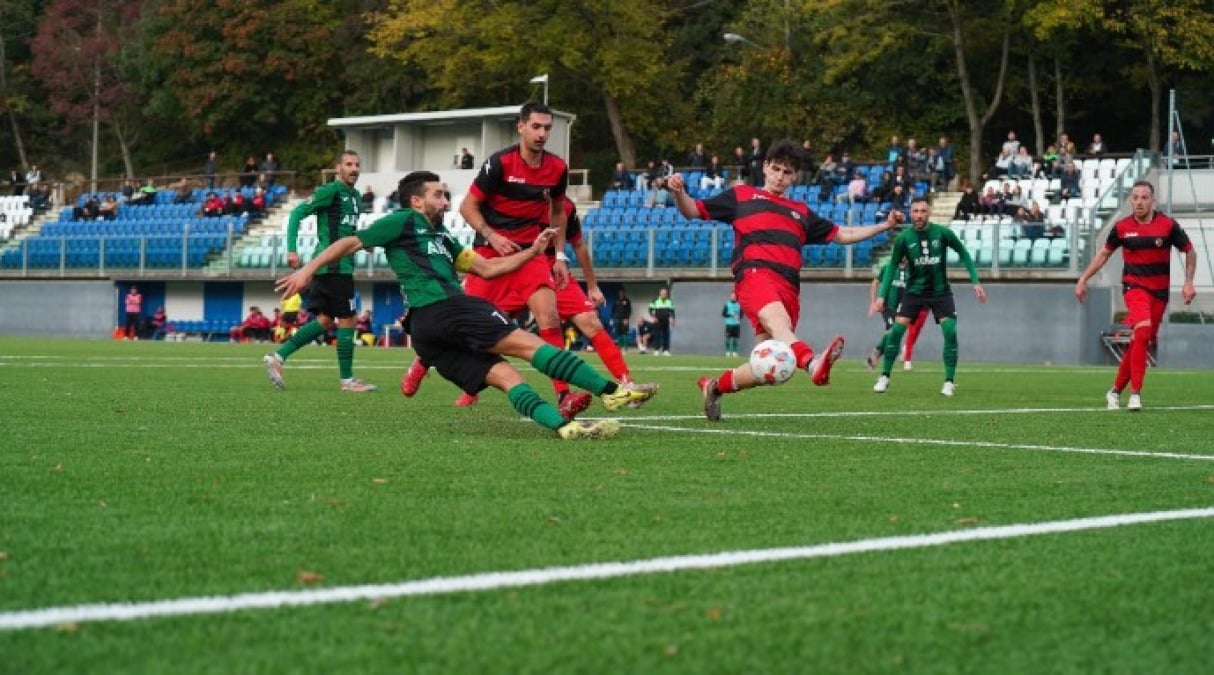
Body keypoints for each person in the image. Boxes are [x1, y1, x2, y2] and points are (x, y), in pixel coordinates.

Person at [276, 170, 658, 439]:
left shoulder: (442, 238)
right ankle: (612, 391)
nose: (445, 199)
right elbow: (351, 242)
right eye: (438, 194)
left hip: (428, 333)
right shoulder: (403, 220)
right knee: (531, 345)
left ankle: (565, 428)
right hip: (443, 310)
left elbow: (489, 268)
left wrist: (533, 252)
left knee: (508, 378)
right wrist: (309, 269)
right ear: (416, 199)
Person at [666, 138, 904, 421]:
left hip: (789, 287)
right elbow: (692, 210)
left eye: (787, 172)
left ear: (795, 177)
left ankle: (713, 387)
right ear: (765, 167)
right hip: (754, 276)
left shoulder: (801, 212)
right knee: (781, 328)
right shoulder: (741, 196)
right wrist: (679, 192)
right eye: (776, 169)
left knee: (769, 364)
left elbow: (843, 235)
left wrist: (885, 226)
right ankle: (813, 364)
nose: (780, 177)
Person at [406, 102, 576, 410]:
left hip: (530, 253)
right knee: (465, 325)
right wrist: (493, 236)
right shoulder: (499, 163)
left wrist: (560, 255)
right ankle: (423, 361)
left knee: (549, 317)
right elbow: (467, 207)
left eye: (547, 128)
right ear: (521, 127)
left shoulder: (558, 168)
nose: (542, 134)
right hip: (489, 253)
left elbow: (558, 211)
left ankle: (564, 395)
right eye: (536, 127)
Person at [1075, 180, 1197, 412]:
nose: (1139, 202)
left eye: (1144, 197)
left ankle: (1114, 391)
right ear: (1130, 200)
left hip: (1159, 293)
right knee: (1141, 331)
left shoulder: (1168, 225)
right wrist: (1083, 279)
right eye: (1135, 197)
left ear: (1153, 200)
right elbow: (1103, 255)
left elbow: (1189, 251)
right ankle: (1135, 394)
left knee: (1141, 342)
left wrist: (1189, 282)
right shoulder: (1122, 228)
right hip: (1134, 288)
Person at [263, 149, 376, 392]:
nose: (354, 169)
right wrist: (291, 249)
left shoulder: (356, 196)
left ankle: (278, 357)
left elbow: (345, 232)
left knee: (325, 320)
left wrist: (362, 243)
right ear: (338, 168)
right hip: (333, 267)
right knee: (348, 318)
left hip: (339, 266)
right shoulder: (330, 191)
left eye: (357, 164)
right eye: (348, 164)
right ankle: (347, 381)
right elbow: (296, 214)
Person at [873, 197, 987, 396]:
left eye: (923, 211)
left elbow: (964, 253)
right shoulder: (903, 238)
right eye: (915, 211)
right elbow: (892, 265)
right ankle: (884, 376)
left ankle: (949, 382)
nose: (919, 215)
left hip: (940, 292)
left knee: (950, 332)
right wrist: (882, 295)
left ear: (929, 213)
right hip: (914, 292)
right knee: (896, 332)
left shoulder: (942, 233)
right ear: (911, 213)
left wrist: (975, 281)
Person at [866, 258, 928, 372]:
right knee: (892, 331)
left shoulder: (912, 270)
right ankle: (876, 357)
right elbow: (875, 283)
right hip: (888, 306)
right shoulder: (889, 267)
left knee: (894, 335)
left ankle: (876, 353)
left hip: (903, 309)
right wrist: (873, 303)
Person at [648, 288, 675, 355]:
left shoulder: (670, 301)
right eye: (663, 293)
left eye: (665, 293)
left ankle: (665, 350)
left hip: (666, 321)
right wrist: (653, 317)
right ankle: (656, 350)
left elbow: (672, 311)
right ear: (660, 293)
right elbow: (650, 309)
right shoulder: (655, 300)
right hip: (658, 321)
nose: (664, 294)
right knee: (657, 335)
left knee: (666, 335)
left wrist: (673, 319)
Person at [722, 291, 741, 357]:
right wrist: (730, 314)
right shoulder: (727, 304)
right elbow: (723, 314)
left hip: (736, 324)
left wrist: (738, 317)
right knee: (728, 338)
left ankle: (734, 352)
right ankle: (727, 352)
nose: (733, 297)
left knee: (735, 339)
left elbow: (741, 315)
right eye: (732, 296)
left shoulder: (739, 304)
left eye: (734, 296)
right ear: (730, 297)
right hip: (729, 324)